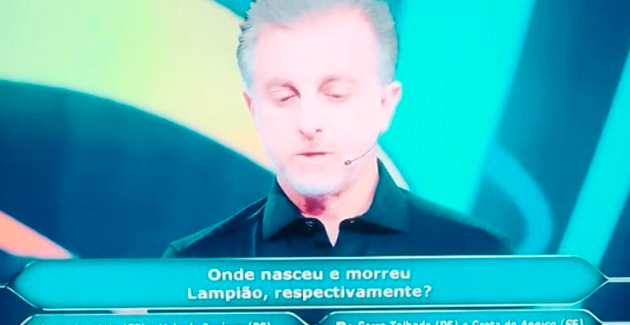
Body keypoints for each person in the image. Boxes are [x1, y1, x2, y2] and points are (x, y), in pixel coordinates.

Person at [164, 0, 511, 259]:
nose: (308, 123)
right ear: (253, 110)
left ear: (385, 105)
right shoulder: (194, 266)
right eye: (284, 97)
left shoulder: (477, 257)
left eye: (335, 94)